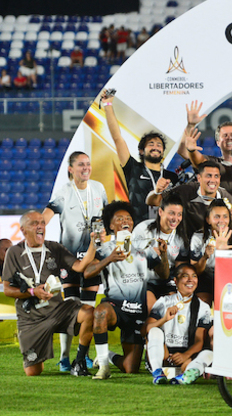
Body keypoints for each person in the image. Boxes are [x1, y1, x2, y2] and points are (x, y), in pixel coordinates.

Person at [2, 210, 95, 376]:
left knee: (88, 312)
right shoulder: (14, 252)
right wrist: (32, 292)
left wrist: (94, 243)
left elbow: (80, 267)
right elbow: (8, 289)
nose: (40, 226)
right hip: (31, 318)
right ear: (23, 230)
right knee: (33, 372)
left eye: (42, 223)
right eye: (34, 223)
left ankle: (79, 361)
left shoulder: (54, 248)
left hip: (57, 310)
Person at [83, 201, 169, 379]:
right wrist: (110, 259)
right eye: (120, 218)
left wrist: (164, 255)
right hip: (115, 307)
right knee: (100, 313)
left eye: (129, 218)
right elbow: (87, 272)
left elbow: (163, 274)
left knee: (130, 368)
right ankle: (104, 368)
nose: (126, 221)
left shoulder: (143, 248)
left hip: (137, 311)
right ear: (111, 225)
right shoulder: (104, 249)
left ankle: (106, 355)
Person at [43, 151, 107, 370]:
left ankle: (85, 354)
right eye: (81, 165)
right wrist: (37, 232)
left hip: (92, 256)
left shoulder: (98, 188)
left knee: (88, 306)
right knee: (71, 307)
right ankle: (63, 357)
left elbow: (105, 219)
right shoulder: (64, 192)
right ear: (71, 169)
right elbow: (46, 216)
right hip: (68, 258)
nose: (86, 168)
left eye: (88, 164)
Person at [101, 89, 179, 224]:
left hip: (165, 230)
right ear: (142, 151)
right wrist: (108, 106)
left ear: (163, 152)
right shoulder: (133, 168)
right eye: (151, 144)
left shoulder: (171, 177)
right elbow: (118, 138)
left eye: (159, 145)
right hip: (138, 229)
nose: (156, 147)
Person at [144, 263, 213, 385]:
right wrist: (164, 319)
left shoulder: (203, 308)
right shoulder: (163, 302)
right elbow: (145, 330)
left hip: (186, 355)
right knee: (154, 331)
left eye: (194, 276)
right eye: (185, 276)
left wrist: (185, 355)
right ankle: (157, 372)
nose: (190, 280)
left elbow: (199, 341)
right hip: (163, 354)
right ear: (175, 281)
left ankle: (186, 376)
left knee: (209, 353)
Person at [147, 160, 232, 237]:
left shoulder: (227, 198)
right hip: (185, 248)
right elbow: (153, 202)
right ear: (199, 178)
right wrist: (157, 191)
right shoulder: (185, 191)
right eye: (208, 176)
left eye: (216, 176)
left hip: (215, 246)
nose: (212, 180)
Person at [132, 193, 190, 312]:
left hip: (167, 281)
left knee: (176, 309)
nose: (175, 218)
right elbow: (136, 262)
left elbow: (179, 269)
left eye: (179, 214)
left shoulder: (181, 238)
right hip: (144, 280)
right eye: (171, 213)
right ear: (160, 212)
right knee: (153, 310)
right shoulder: (143, 229)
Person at [189, 199, 232, 306]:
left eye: (225, 216)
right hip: (205, 276)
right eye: (217, 217)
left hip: (230, 277)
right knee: (203, 305)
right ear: (208, 220)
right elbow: (195, 271)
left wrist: (225, 254)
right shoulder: (198, 237)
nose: (221, 221)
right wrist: (205, 256)